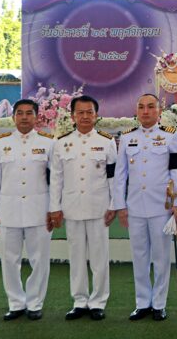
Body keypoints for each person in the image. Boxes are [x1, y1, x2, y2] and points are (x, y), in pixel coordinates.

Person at [112, 94, 177, 321]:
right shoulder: (127, 138)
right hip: (135, 207)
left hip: (161, 207)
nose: (146, 111)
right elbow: (120, 175)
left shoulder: (171, 136)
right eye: (141, 107)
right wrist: (120, 205)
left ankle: (159, 304)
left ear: (159, 110)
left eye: (150, 107)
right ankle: (142, 302)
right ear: (137, 110)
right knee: (139, 257)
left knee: (161, 258)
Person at [49, 95, 118, 321]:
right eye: (81, 112)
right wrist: (54, 207)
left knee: (99, 257)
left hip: (99, 207)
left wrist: (114, 204)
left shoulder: (107, 142)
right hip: (72, 207)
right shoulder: (61, 143)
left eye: (90, 112)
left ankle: (98, 302)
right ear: (73, 116)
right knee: (76, 257)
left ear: (96, 115)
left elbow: (113, 177)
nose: (85, 116)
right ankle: (79, 301)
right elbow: (56, 179)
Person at [0, 99, 54, 321]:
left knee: (39, 260)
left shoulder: (48, 142)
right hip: (8, 211)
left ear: (37, 117)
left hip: (39, 210)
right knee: (9, 260)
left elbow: (55, 180)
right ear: (13, 117)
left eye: (29, 113)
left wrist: (54, 208)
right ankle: (15, 303)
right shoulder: (0, 143)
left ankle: (35, 303)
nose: (24, 117)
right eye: (20, 113)